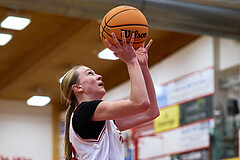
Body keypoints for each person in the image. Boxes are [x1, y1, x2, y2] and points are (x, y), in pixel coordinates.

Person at [60, 31, 160, 160]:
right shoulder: (84, 110)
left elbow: (151, 112)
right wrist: (131, 62)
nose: (99, 76)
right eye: (90, 73)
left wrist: (142, 66)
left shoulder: (104, 120)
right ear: (77, 88)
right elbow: (140, 103)